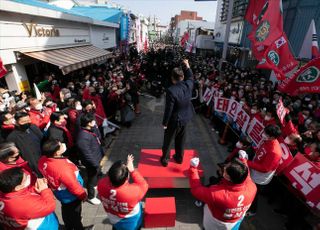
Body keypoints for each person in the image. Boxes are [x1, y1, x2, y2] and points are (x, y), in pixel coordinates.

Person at [189, 155, 257, 230]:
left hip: (215, 223)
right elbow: (246, 175)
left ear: (228, 177)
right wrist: (243, 160)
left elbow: (196, 190)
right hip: (235, 222)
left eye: (225, 170)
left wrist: (193, 169)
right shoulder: (252, 187)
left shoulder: (216, 194)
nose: (224, 168)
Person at [39, 140, 93, 230]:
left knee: (66, 211)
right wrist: (83, 195)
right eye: (60, 146)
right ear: (56, 153)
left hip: (59, 193)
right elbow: (73, 186)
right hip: (70, 196)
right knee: (75, 214)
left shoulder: (42, 160)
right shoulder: (63, 169)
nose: (63, 145)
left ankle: (69, 226)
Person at [97, 154, 148, 230]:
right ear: (127, 178)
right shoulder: (133, 192)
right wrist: (132, 170)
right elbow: (144, 185)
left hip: (114, 220)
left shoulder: (101, 185)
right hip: (133, 223)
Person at [160, 59, 195, 167]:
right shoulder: (189, 84)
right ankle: (179, 158)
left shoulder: (171, 90)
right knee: (181, 140)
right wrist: (187, 66)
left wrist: (165, 123)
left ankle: (165, 159)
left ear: (172, 78)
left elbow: (168, 109)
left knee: (168, 140)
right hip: (186, 118)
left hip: (174, 121)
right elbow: (191, 76)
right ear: (182, 77)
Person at [77, 113, 103, 205]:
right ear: (88, 123)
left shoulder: (90, 131)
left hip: (96, 159)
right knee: (91, 179)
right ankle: (91, 196)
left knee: (94, 176)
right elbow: (86, 154)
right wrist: (95, 164)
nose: (95, 122)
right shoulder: (83, 137)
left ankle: (95, 184)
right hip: (92, 162)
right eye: (92, 121)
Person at [7, 112, 43, 177]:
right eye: (24, 121)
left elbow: (42, 140)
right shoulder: (12, 137)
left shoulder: (33, 127)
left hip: (43, 158)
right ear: (16, 122)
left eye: (28, 120)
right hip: (32, 165)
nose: (27, 123)